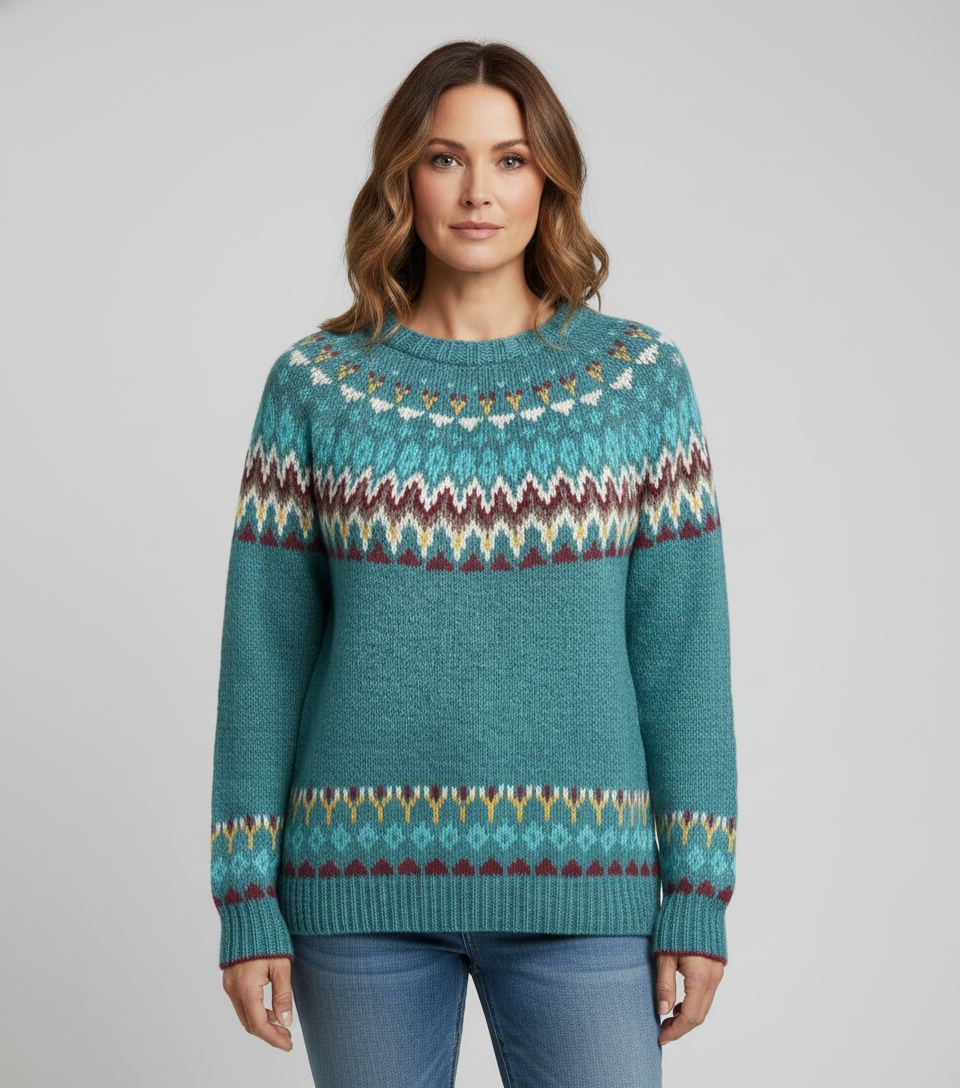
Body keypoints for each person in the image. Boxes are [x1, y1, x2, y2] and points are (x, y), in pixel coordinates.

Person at [210, 39, 738, 1088]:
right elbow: (263, 655)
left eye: (511, 160)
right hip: (356, 882)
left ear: (550, 180)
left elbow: (684, 654)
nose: (478, 192)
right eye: (445, 158)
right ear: (402, 178)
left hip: (585, 881)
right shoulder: (318, 387)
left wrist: (699, 891)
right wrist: (244, 895)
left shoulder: (637, 383)